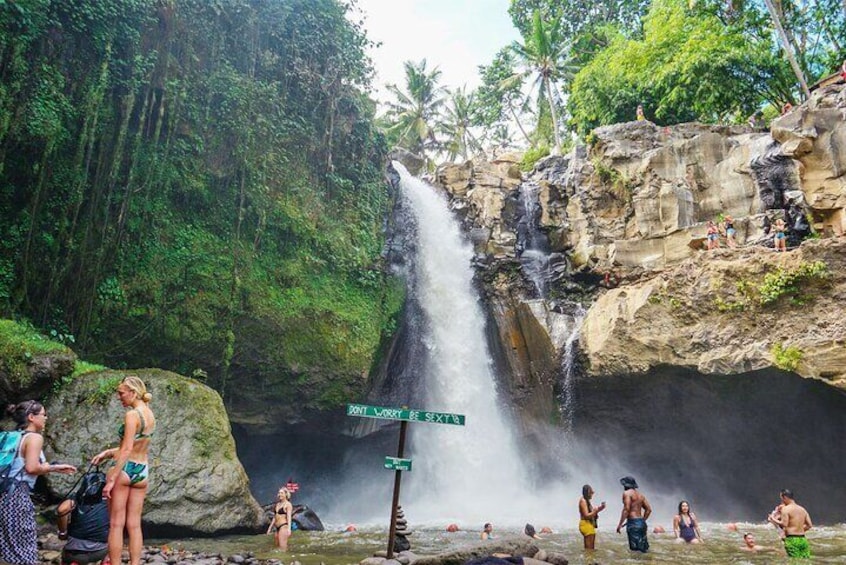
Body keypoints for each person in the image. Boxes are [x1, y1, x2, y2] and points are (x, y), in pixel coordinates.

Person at [0, 401, 76, 565]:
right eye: (43, 414)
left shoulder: (15, 436)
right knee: (24, 549)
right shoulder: (34, 438)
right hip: (17, 496)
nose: (46, 418)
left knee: (10, 547)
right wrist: (52, 468)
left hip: (5, 495)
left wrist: (53, 467)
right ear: (31, 417)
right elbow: (32, 468)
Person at [91, 376, 156, 565]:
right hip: (142, 470)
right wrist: (107, 453)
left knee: (116, 524)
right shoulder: (149, 414)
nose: (119, 397)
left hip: (125, 470)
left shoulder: (132, 415)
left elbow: (127, 449)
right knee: (135, 525)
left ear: (133, 392)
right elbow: (135, 445)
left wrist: (111, 480)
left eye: (121, 393)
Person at [57, 469, 109, 564]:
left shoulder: (77, 497)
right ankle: (107, 560)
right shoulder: (110, 499)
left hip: (74, 553)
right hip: (100, 552)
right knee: (114, 543)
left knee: (69, 557)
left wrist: (63, 532)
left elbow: (62, 510)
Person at [767, 489, 812, 558]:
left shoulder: (785, 509)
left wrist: (773, 519)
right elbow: (809, 525)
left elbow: (784, 524)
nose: (781, 501)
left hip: (792, 539)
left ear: (784, 497)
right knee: (806, 561)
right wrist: (799, 530)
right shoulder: (802, 509)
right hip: (803, 539)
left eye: (781, 498)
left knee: (794, 562)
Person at [615, 476, 651, 553]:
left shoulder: (627, 493)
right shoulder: (641, 495)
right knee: (643, 549)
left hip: (633, 523)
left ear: (626, 485)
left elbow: (626, 509)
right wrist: (642, 521)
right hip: (641, 523)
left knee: (635, 551)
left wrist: (620, 524)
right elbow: (648, 510)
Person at [578, 484, 607, 549]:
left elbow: (592, 513)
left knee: (591, 549)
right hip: (585, 524)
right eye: (591, 492)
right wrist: (595, 511)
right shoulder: (583, 501)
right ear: (587, 493)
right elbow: (586, 516)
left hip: (589, 525)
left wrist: (600, 508)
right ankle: (587, 559)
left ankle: (590, 559)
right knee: (589, 549)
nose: (593, 494)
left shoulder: (587, 500)